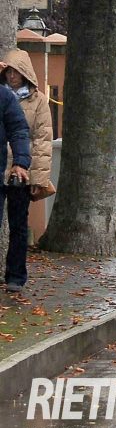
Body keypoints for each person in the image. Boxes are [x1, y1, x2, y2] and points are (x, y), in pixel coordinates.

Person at [0, 53, 32, 294]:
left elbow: (20, 130)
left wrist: (21, 163)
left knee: (18, 225)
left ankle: (16, 275)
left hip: (12, 174)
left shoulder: (4, 97)